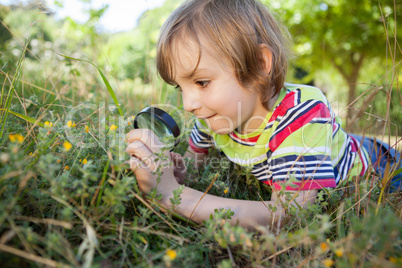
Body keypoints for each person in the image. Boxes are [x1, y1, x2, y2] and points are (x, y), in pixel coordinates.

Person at [125, 0, 401, 231]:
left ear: (259, 64)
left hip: (381, 166)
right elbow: (192, 166)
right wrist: (175, 171)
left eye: (201, 82)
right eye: (179, 87)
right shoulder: (211, 116)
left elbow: (290, 214)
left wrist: (174, 197)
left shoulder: (301, 114)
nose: (188, 104)